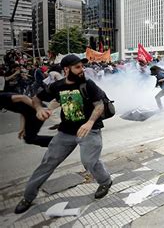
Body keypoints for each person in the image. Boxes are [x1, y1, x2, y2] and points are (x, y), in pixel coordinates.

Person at [14, 55, 112, 214]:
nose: (82, 70)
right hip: (66, 132)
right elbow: (36, 99)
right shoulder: (57, 86)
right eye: (78, 67)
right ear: (66, 69)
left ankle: (105, 181)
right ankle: (28, 196)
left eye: (82, 66)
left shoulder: (88, 84)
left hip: (89, 130)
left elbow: (99, 105)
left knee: (89, 161)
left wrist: (89, 122)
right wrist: (39, 109)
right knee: (48, 162)